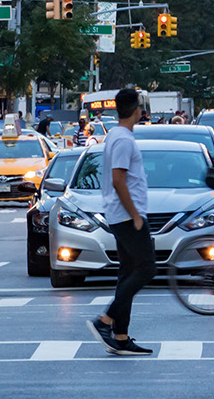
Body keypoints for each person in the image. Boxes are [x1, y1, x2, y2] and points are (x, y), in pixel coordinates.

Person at [89, 89, 155, 356]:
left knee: (128, 273)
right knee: (147, 268)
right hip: (127, 216)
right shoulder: (123, 140)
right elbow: (118, 180)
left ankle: (121, 335)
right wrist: (135, 214)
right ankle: (105, 320)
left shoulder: (117, 136)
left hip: (123, 215)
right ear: (137, 109)